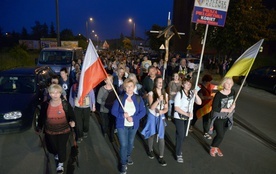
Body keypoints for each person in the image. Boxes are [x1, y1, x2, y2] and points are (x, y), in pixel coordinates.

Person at [37, 84, 76, 174]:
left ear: (60, 93)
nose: (55, 95)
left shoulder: (65, 103)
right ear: (49, 94)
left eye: (57, 92)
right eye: (52, 93)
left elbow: (71, 115)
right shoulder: (45, 105)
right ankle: (57, 154)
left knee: (61, 147)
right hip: (50, 131)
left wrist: (72, 121)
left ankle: (60, 164)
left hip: (64, 130)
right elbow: (41, 117)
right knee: (53, 148)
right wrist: (39, 127)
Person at [111, 78, 146, 174]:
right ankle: (123, 163)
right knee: (123, 144)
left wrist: (134, 118)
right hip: (121, 125)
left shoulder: (138, 98)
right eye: (127, 86)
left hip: (133, 125)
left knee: (130, 143)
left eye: (131, 86)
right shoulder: (120, 98)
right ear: (125, 88)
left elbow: (143, 112)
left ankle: (128, 155)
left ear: (134, 87)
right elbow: (113, 111)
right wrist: (122, 115)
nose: (129, 88)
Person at [141, 76, 168, 167]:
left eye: (161, 82)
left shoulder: (165, 94)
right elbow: (151, 107)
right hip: (152, 115)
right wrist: (158, 100)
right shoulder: (151, 93)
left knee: (161, 136)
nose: (160, 84)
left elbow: (166, 108)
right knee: (152, 134)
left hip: (161, 116)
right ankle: (150, 150)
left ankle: (161, 156)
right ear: (155, 83)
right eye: (158, 82)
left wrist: (162, 111)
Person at [174, 78, 202, 163]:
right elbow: (176, 108)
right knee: (181, 135)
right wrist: (186, 114)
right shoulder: (179, 94)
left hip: (187, 118)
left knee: (182, 136)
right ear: (182, 85)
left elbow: (199, 103)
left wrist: (196, 94)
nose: (188, 85)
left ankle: (178, 146)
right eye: (186, 84)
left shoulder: (191, 93)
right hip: (179, 117)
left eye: (190, 84)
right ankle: (178, 154)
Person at [209, 77, 235, 157]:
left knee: (222, 135)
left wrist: (233, 107)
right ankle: (213, 147)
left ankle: (216, 146)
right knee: (220, 134)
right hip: (219, 118)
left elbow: (234, 102)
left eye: (231, 83)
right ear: (223, 84)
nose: (229, 85)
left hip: (228, 118)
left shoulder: (233, 92)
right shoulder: (219, 94)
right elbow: (215, 107)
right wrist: (227, 110)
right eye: (227, 83)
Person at [69, 72, 96, 143]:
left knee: (86, 122)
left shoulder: (88, 86)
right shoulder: (74, 86)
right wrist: (71, 107)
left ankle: (85, 130)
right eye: (79, 77)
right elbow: (71, 97)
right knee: (78, 122)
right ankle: (79, 136)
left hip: (86, 107)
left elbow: (92, 96)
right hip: (77, 107)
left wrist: (93, 105)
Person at [190, 74, 217, 139]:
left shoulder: (209, 86)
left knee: (206, 119)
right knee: (196, 116)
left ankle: (206, 132)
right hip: (199, 104)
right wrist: (209, 97)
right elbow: (199, 95)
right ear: (205, 81)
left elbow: (217, 87)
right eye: (208, 81)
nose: (209, 83)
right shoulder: (199, 86)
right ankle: (190, 125)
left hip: (206, 106)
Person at [97, 74, 116, 139]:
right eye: (109, 79)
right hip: (104, 109)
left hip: (112, 109)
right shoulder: (102, 89)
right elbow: (98, 100)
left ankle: (111, 135)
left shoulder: (114, 88)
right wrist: (106, 103)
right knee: (104, 122)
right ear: (105, 81)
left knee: (111, 123)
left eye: (112, 79)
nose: (111, 81)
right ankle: (104, 131)